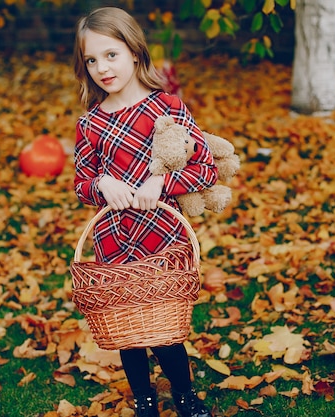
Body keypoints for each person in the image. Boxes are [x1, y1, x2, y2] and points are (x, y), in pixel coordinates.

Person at [71, 7, 217, 417]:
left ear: (135, 52)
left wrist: (161, 183)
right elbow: (81, 184)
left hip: (163, 240)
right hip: (114, 241)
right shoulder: (91, 125)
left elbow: (204, 168)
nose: (102, 68)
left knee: (164, 327)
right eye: (92, 60)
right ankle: (144, 403)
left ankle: (184, 397)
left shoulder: (167, 108)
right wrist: (102, 184)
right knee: (127, 328)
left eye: (111, 55)